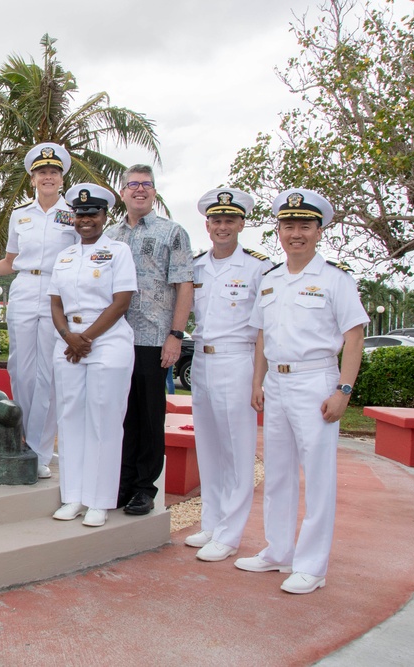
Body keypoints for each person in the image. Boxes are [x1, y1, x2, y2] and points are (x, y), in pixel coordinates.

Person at [236, 189, 367, 594]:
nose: (296, 234)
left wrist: (343, 390)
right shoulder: (271, 279)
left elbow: (355, 335)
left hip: (316, 382)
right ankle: (279, 551)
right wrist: (257, 382)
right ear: (278, 231)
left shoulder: (334, 279)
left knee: (318, 476)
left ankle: (312, 565)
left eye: (304, 226)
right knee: (277, 472)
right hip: (276, 381)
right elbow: (261, 337)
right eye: (288, 226)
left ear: (319, 230)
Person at [0, 142, 77, 478]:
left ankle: (40, 451)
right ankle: (23, 438)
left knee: (49, 374)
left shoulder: (72, 215)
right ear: (32, 178)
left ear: (61, 178)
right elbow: (11, 263)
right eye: (42, 172)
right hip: (25, 290)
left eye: (53, 172)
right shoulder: (20, 215)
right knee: (20, 370)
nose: (48, 177)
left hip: (58, 293)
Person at [185, 188, 272, 562]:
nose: (223, 227)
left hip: (238, 361)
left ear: (241, 224)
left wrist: (258, 380)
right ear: (207, 225)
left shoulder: (258, 267)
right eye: (216, 221)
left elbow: (267, 327)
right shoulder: (197, 266)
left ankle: (231, 533)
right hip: (202, 361)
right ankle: (212, 521)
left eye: (230, 220)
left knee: (237, 450)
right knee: (208, 446)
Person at [105, 165, 194, 515]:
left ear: (154, 192)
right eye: (133, 185)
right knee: (121, 414)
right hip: (114, 338)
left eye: (146, 185)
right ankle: (122, 482)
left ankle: (144, 487)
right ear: (123, 192)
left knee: (149, 415)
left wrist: (175, 335)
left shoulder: (172, 232)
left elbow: (184, 284)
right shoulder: (109, 235)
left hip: (153, 337)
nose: (139, 190)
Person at [48, 184, 136, 527]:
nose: (86, 220)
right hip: (68, 342)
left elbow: (121, 301)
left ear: (104, 217)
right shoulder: (64, 256)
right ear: (74, 218)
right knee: (69, 418)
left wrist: (85, 338)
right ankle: (73, 496)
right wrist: (70, 336)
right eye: (81, 214)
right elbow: (55, 302)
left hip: (108, 342)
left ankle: (99, 501)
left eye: (93, 214)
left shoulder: (118, 252)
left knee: (104, 419)